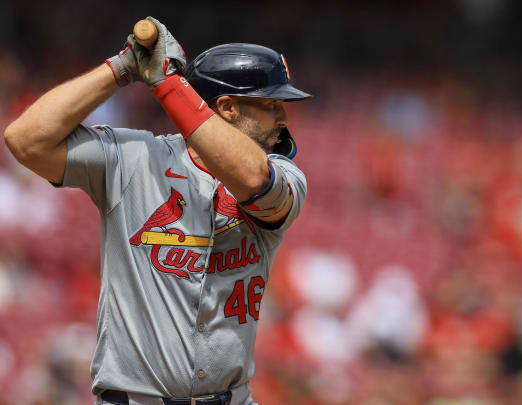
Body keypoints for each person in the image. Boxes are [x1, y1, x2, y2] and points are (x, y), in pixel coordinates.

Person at [4, 17, 310, 405]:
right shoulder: (135, 159)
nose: (284, 118)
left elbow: (251, 179)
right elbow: (25, 140)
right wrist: (122, 67)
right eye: (271, 105)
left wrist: (167, 83)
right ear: (228, 108)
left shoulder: (284, 173)